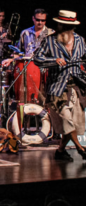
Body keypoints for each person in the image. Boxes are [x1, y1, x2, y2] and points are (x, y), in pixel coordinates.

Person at [34, 10, 86, 161]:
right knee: (66, 120)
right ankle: (80, 148)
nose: (61, 28)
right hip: (57, 88)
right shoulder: (50, 40)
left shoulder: (80, 40)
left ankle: (60, 151)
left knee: (75, 123)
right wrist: (53, 61)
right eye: (60, 25)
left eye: (65, 26)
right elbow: (37, 58)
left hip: (76, 87)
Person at [3, 8, 55, 102]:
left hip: (45, 70)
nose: (40, 22)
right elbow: (19, 53)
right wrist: (10, 59)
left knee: (43, 99)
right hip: (28, 69)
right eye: (38, 20)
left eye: (43, 20)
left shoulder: (51, 34)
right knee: (26, 98)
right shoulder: (25, 33)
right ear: (33, 19)